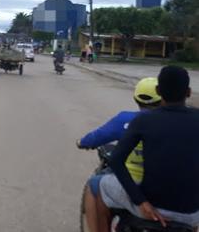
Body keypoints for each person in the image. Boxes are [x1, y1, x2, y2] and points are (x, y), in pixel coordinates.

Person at [91, 66, 199, 231]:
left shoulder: (144, 121)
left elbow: (116, 160)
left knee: (99, 187)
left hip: (152, 207)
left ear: (158, 90)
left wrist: (140, 201)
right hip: (192, 213)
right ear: (189, 92)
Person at [78, 77, 162, 232]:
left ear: (135, 97)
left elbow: (96, 137)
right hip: (171, 193)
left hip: (133, 187)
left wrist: (82, 142)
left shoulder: (125, 119)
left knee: (94, 185)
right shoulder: (177, 123)